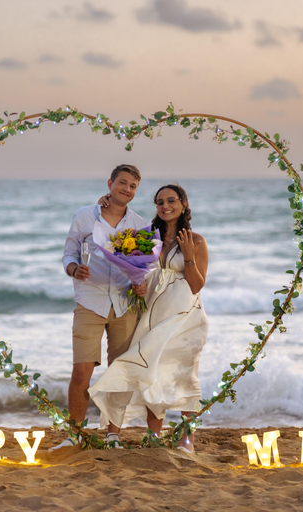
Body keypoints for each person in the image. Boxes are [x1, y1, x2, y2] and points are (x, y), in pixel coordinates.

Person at [89, 184, 209, 453]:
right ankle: (151, 435)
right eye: (159, 202)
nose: (165, 206)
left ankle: (187, 439)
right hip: (152, 313)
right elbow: (138, 273)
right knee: (146, 370)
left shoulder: (197, 240)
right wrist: (137, 286)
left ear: (184, 203)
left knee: (185, 373)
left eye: (171, 200)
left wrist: (188, 257)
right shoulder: (147, 237)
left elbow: (196, 285)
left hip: (185, 317)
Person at [53, 164, 148, 450]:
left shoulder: (140, 224)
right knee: (82, 371)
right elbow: (69, 251)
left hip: (124, 304)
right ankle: (75, 435)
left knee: (120, 372)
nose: (127, 189)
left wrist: (141, 283)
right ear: (110, 183)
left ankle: (113, 435)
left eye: (133, 186)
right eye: (123, 183)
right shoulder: (85, 215)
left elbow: (143, 266)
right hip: (89, 301)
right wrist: (73, 269)